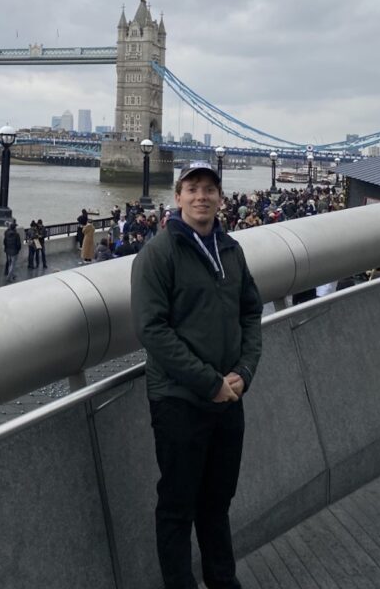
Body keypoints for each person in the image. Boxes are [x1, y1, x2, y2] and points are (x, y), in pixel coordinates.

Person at [131, 161, 263, 589]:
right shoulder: (158, 254)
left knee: (217, 502)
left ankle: (224, 582)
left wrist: (244, 371)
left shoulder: (232, 250)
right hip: (180, 401)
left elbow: (251, 312)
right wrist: (209, 383)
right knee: (177, 507)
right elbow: (152, 330)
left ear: (221, 198)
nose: (201, 196)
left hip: (229, 398)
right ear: (178, 197)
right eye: (193, 188)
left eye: (209, 189)